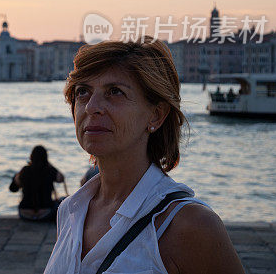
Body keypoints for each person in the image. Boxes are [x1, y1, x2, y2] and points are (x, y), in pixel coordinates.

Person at [44, 37, 244, 274]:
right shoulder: (71, 211)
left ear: (156, 115)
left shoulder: (190, 226)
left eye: (114, 92)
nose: (91, 106)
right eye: (83, 92)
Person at [9, 145, 65, 222]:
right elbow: (61, 178)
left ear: (31, 157)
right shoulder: (49, 170)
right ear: (46, 158)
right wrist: (50, 165)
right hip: (45, 214)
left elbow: (13, 189)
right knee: (63, 200)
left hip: (25, 214)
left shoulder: (24, 170)